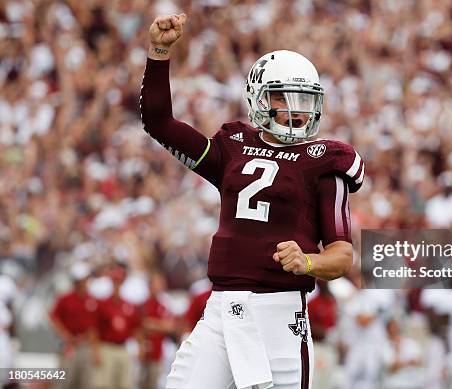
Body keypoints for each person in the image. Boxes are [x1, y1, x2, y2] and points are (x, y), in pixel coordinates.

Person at [140, 13, 364, 389]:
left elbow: (342, 255)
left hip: (280, 314)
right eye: (283, 97)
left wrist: (308, 261)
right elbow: (159, 123)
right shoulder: (232, 147)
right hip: (222, 310)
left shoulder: (325, 161)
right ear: (258, 98)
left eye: (303, 99)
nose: (295, 109)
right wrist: (159, 51)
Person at [91, 264, 143, 389]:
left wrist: (140, 346)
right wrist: (96, 350)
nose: (117, 284)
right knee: (103, 384)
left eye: (119, 281)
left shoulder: (128, 305)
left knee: (124, 384)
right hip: (106, 347)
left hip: (123, 347)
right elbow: (94, 329)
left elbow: (136, 328)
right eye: (115, 281)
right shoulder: (103, 304)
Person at [48, 262, 98, 389]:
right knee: (64, 382)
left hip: (84, 345)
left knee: (84, 382)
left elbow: (93, 327)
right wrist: (65, 335)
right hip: (68, 345)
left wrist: (94, 349)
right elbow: (53, 318)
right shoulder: (65, 298)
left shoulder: (91, 300)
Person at [141, 272, 175, 389]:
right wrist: (160, 325)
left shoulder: (164, 303)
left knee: (156, 383)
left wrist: (154, 324)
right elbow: (142, 325)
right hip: (143, 351)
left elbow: (171, 326)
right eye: (156, 284)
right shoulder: (144, 303)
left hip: (159, 351)